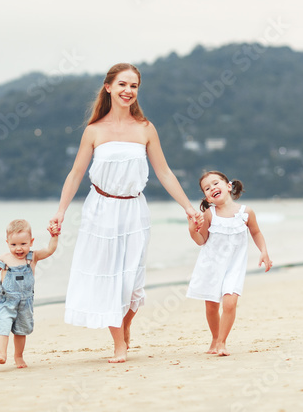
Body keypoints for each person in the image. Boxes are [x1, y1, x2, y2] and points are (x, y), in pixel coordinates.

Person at [50, 62, 202, 363]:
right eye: (122, 84)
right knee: (109, 277)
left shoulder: (145, 129)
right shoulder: (94, 130)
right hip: (100, 209)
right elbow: (75, 173)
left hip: (134, 210)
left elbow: (165, 173)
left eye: (133, 86)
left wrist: (187, 206)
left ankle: (125, 324)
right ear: (108, 87)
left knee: (131, 280)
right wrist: (60, 212)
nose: (128, 91)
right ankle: (119, 344)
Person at [186, 170, 273, 356]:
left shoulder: (246, 213)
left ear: (228, 186)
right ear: (207, 197)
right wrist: (192, 229)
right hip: (211, 266)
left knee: (230, 303)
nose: (212, 188)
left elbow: (256, 233)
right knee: (211, 306)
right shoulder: (209, 214)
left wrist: (264, 252)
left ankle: (222, 342)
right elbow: (201, 240)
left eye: (215, 183)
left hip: (234, 267)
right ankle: (215, 338)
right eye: (207, 188)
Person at [0, 219, 60, 368]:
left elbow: (50, 250)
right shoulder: (5, 258)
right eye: (13, 245)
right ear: (7, 242)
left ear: (31, 241)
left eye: (23, 244)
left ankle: (19, 356)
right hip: (6, 300)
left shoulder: (33, 257)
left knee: (21, 330)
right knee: (3, 324)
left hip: (25, 302)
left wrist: (54, 236)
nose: (19, 249)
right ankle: (2, 354)